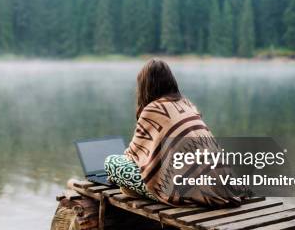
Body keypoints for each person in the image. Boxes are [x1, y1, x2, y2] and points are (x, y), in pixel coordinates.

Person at [104, 58, 246, 207]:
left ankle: (133, 189)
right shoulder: (187, 105)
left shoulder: (152, 110)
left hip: (186, 191)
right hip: (223, 186)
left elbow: (133, 155)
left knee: (112, 162)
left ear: (145, 86)